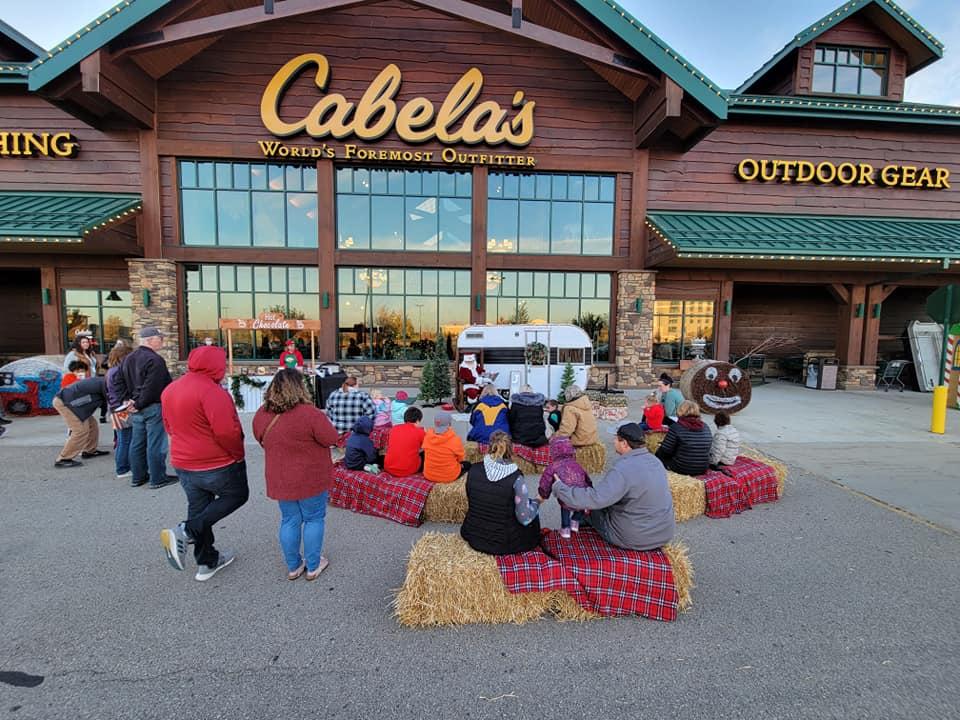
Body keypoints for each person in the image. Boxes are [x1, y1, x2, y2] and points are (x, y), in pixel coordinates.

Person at [159, 345, 248, 582]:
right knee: (237, 496)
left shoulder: (170, 389)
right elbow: (227, 431)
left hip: (183, 461)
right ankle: (187, 530)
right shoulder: (212, 392)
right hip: (216, 462)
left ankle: (206, 561)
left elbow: (167, 425)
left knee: (200, 508)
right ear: (215, 365)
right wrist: (238, 454)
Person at [253, 368, 339, 581]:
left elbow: (258, 436)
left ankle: (294, 566)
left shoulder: (262, 413)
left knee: (289, 519)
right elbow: (331, 438)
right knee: (313, 518)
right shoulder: (309, 414)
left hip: (281, 476)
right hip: (311, 477)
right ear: (300, 387)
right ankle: (313, 564)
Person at [552, 422, 675, 551]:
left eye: (616, 438)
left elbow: (595, 499)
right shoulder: (655, 461)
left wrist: (560, 488)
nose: (613, 441)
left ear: (625, 443)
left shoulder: (622, 469)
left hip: (635, 538)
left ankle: (581, 526)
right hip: (664, 533)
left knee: (590, 508)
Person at [460, 431, 541, 556]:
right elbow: (524, 519)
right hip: (504, 543)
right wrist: (537, 501)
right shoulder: (516, 478)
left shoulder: (473, 470)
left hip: (473, 535)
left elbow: (471, 499)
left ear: (489, 447)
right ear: (510, 450)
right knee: (532, 511)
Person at [115, 326, 177, 489]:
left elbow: (117, 381)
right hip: (151, 406)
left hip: (136, 406)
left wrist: (127, 401)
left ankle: (138, 476)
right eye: (160, 338)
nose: (162, 341)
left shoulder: (129, 358)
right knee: (155, 444)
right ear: (150, 340)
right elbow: (153, 387)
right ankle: (158, 478)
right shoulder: (155, 360)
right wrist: (136, 403)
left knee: (137, 443)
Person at [51, 375, 110, 468]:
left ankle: (89, 451)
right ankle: (63, 459)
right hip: (65, 403)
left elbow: (105, 403)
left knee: (92, 425)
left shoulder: (104, 382)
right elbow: (111, 400)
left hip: (75, 405)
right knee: (80, 430)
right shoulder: (104, 384)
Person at [538, 436, 591, 538]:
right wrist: (590, 490)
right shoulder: (577, 465)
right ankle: (575, 521)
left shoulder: (553, 466)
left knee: (565, 508)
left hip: (565, 495)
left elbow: (546, 481)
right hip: (581, 494)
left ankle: (565, 529)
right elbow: (587, 478)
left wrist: (543, 494)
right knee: (580, 506)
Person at [655, 400, 713, 476]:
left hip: (682, 468)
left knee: (658, 459)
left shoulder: (676, 427)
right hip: (702, 468)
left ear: (680, 411)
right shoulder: (706, 427)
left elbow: (665, 451)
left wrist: (655, 455)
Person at [105, 343, 134, 481]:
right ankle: (123, 469)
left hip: (115, 408)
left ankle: (123, 467)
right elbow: (122, 392)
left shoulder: (111, 371)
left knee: (122, 439)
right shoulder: (118, 372)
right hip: (121, 409)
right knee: (125, 440)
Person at [422, 410, 469, 483]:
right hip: (449, 476)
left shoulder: (427, 436)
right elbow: (461, 459)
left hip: (429, 475)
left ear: (435, 423)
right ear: (449, 424)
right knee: (467, 465)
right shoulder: (455, 439)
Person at [384, 406, 425, 477]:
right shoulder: (420, 432)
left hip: (388, 467)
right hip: (408, 470)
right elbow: (426, 446)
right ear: (418, 420)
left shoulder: (394, 429)